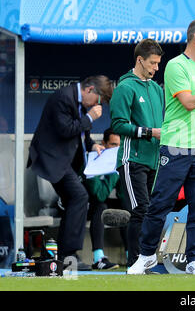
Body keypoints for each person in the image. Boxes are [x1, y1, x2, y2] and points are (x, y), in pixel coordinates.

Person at [127, 18, 195, 275]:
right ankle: (145, 256)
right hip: (176, 146)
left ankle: (194, 260)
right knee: (161, 204)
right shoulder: (176, 66)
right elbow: (188, 102)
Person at [27, 75, 114, 270]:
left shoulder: (79, 102)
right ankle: (69, 255)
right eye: (98, 101)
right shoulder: (63, 98)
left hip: (65, 161)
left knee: (73, 200)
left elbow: (82, 135)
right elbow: (66, 130)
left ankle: (65, 256)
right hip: (52, 159)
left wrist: (93, 146)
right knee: (79, 196)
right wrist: (90, 117)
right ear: (90, 90)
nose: (97, 106)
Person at [109, 38, 165, 268]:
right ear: (140, 60)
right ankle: (135, 263)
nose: (156, 68)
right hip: (132, 160)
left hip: (154, 160)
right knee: (141, 210)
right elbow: (118, 125)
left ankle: (146, 261)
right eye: (152, 63)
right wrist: (151, 132)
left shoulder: (156, 89)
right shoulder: (125, 87)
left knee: (152, 211)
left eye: (158, 63)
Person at [83, 127, 127, 270]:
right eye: (113, 145)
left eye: (119, 146)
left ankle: (131, 254)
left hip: (104, 203)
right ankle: (98, 258)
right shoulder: (94, 158)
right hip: (83, 206)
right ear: (104, 143)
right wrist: (114, 173)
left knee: (125, 208)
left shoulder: (120, 159)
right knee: (101, 207)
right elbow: (99, 194)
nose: (116, 150)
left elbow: (122, 194)